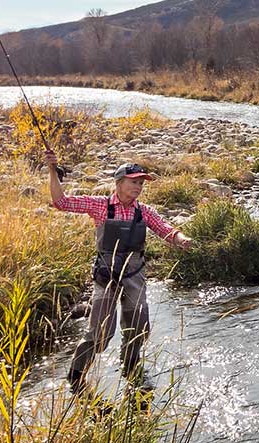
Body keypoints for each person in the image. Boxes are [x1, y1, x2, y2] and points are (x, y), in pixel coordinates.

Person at [45, 152, 192, 397]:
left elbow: (165, 229)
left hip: (134, 277)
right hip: (106, 278)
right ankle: (76, 376)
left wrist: (181, 239)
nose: (138, 186)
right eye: (134, 181)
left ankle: (130, 366)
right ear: (119, 182)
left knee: (139, 328)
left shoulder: (144, 211)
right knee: (100, 336)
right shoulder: (100, 205)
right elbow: (62, 202)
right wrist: (52, 170)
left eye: (141, 183)